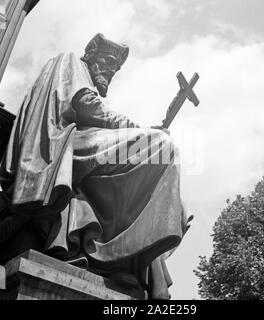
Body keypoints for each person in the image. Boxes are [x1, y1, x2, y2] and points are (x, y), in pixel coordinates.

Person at [0, 33, 192, 299]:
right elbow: (86, 105)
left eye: (115, 68)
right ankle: (123, 254)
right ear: (90, 57)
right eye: (107, 61)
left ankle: (123, 256)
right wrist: (141, 129)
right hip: (62, 145)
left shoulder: (82, 72)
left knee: (159, 163)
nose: (110, 71)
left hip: (79, 142)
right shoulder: (70, 62)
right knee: (161, 147)